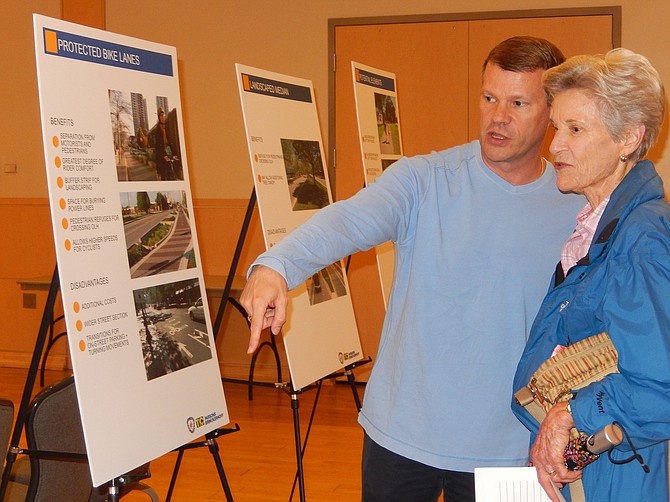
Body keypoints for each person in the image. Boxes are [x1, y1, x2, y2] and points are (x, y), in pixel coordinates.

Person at [240, 36, 585, 501]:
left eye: (518, 103)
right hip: (401, 436)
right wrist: (275, 266)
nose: (497, 117)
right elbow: (346, 220)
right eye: (488, 98)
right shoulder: (424, 180)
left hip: (512, 448)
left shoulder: (575, 205)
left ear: (551, 112)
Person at [512, 48, 669, 502]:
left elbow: (662, 387)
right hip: (591, 467)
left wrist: (570, 413)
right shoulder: (601, 227)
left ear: (628, 138)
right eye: (557, 127)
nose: (555, 144)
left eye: (576, 130)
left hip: (618, 472)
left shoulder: (642, 238)